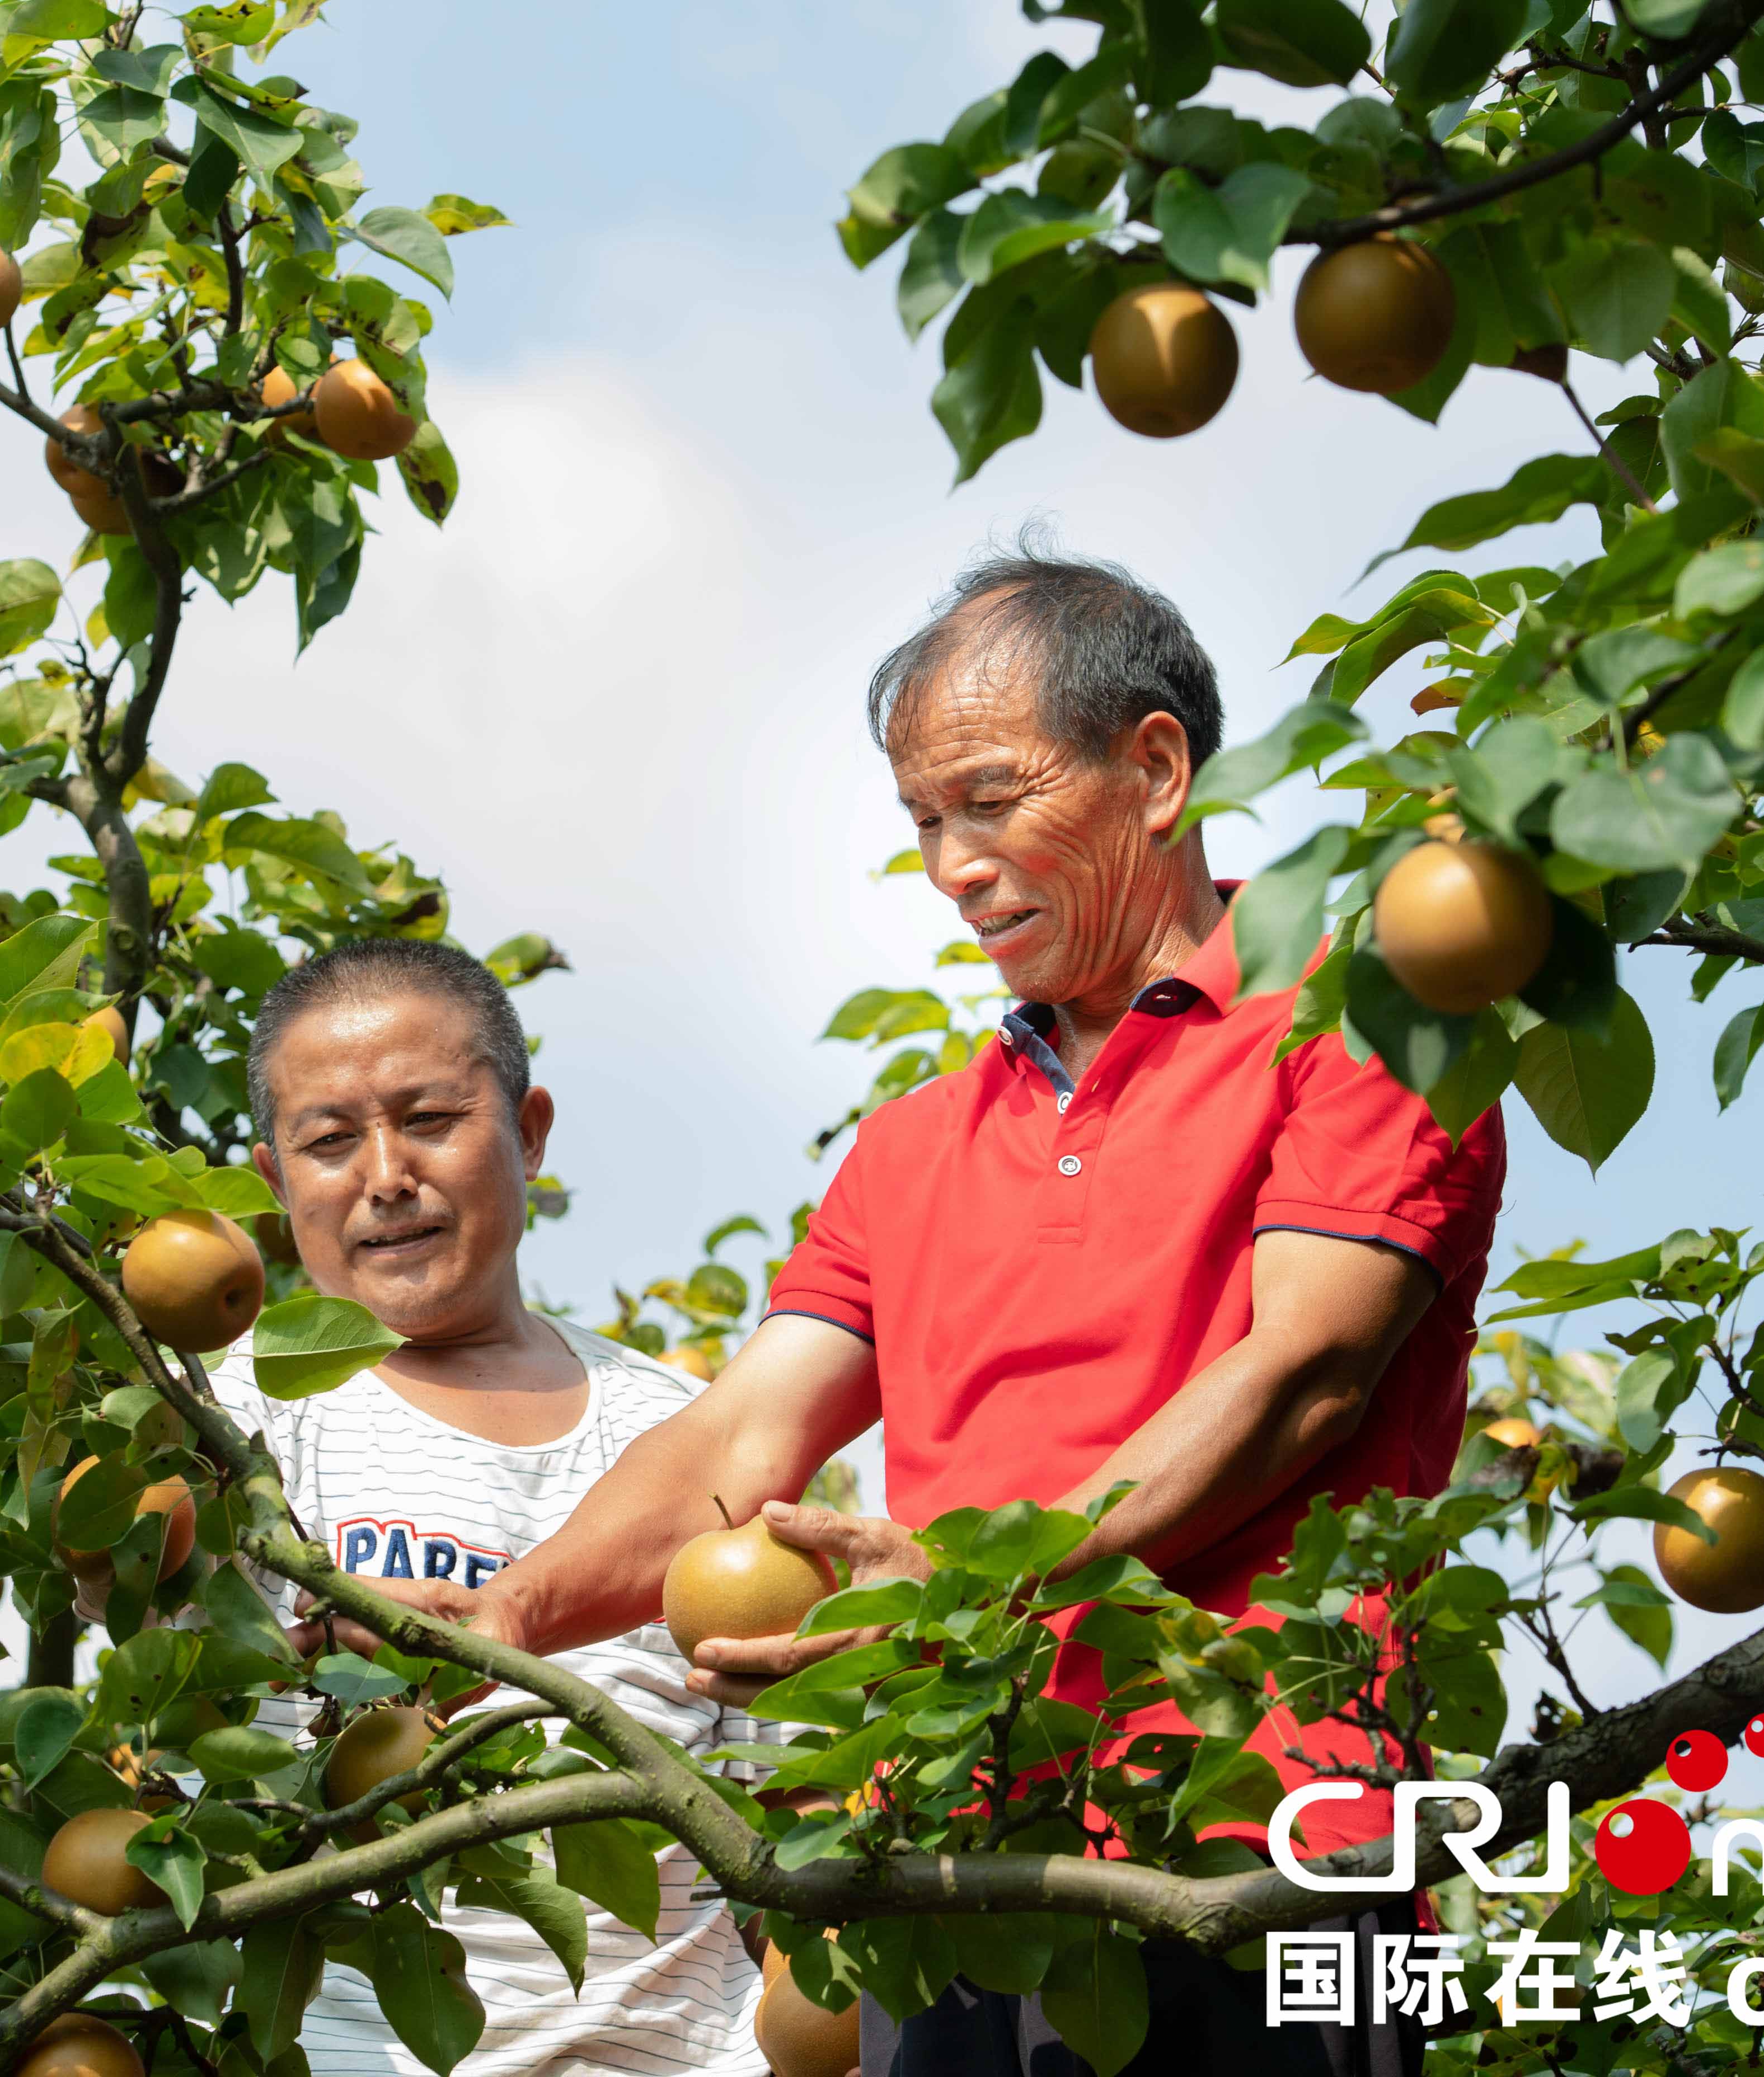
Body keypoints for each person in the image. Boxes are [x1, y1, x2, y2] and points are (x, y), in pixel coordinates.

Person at [356, 548, 1507, 2077]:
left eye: (989, 800)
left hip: (1267, 1834)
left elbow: (1306, 1373)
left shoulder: (1371, 1012)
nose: (954, 863)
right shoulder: (911, 1148)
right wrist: (520, 1613)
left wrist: (961, 1604)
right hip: (957, 1855)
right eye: (922, 823)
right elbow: (744, 1429)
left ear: (1154, 768)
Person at [197, 937, 774, 2076]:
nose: (385, 1172)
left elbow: (787, 1841)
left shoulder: (691, 1435)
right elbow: (141, 1684)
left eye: (429, 1117)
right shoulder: (224, 1421)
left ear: (531, 1129)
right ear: (272, 1177)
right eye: (328, 1139)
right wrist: (285, 1645)